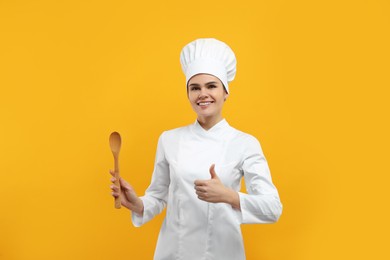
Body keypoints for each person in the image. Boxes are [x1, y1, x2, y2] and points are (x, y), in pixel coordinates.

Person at [110, 38, 283, 260]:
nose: (203, 93)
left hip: (223, 253)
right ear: (188, 94)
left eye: (211, 86)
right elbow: (158, 196)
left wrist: (229, 196)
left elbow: (272, 207)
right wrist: (138, 204)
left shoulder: (245, 143)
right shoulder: (169, 139)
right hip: (174, 252)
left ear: (225, 92)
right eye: (195, 88)